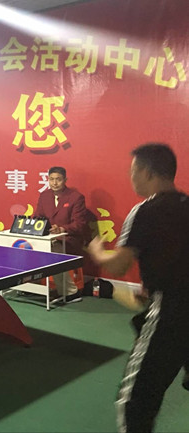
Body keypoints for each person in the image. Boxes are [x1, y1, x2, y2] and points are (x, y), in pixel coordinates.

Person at [88, 143, 189, 433]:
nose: (130, 177)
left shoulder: (145, 211)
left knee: (133, 402)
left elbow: (119, 266)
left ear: (146, 172)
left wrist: (97, 253)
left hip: (170, 315)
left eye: (133, 171)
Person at [34, 166, 87, 302]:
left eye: (58, 179)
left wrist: (62, 229)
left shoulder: (76, 197)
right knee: (28, 245)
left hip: (68, 239)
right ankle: (31, 287)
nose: (54, 183)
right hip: (48, 237)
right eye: (51, 179)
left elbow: (79, 224)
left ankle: (70, 292)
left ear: (65, 180)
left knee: (53, 249)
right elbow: (38, 217)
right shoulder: (44, 196)